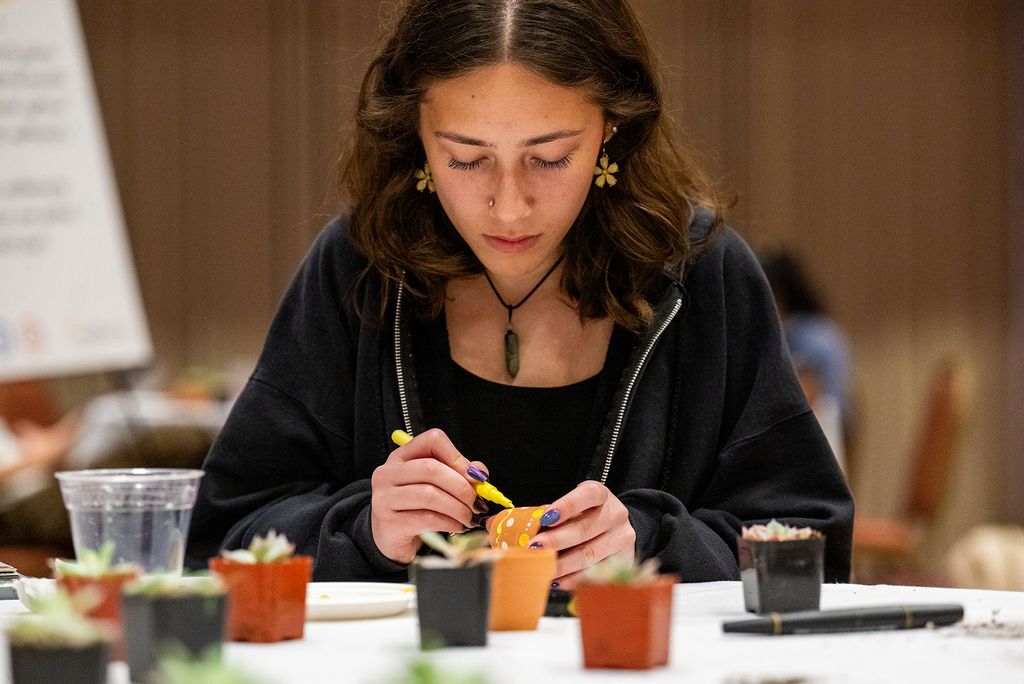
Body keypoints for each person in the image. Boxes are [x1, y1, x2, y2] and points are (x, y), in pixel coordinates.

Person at [185, 0, 853, 586]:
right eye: (466, 158)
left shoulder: (701, 272)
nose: (508, 207)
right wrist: (364, 530)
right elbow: (218, 540)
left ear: (611, 126)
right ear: (416, 133)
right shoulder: (360, 269)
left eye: (551, 157)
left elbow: (814, 547)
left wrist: (653, 543)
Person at [758, 249, 854, 472]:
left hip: (819, 453)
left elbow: (831, 414)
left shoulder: (817, 340)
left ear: (778, 295)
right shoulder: (780, 334)